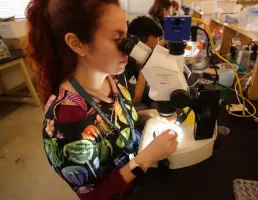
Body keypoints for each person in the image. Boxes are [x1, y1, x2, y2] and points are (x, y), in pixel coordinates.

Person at [25, 0, 178, 200]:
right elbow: (94, 195)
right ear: (77, 44)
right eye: (117, 38)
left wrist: (150, 115)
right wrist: (145, 159)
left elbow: (115, 121)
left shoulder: (114, 76)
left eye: (126, 36)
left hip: (145, 174)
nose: (128, 48)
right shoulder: (67, 120)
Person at [124, 16, 163, 108]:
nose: (153, 54)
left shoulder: (134, 61)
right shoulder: (121, 66)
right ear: (135, 45)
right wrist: (145, 69)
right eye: (151, 49)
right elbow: (133, 101)